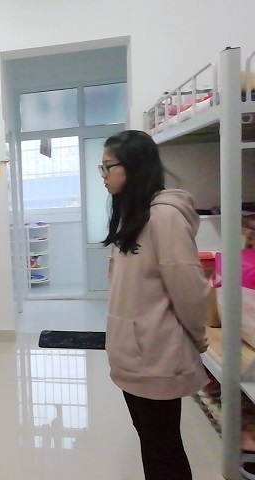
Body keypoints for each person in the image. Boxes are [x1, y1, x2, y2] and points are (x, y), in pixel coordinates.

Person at [100, 130, 210, 480]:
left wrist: (198, 335)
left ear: (134, 167)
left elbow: (188, 288)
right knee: (150, 441)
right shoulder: (130, 215)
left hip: (156, 355)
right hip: (132, 353)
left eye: (108, 167)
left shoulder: (164, 218)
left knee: (164, 446)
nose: (103, 176)